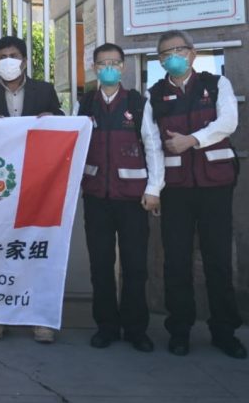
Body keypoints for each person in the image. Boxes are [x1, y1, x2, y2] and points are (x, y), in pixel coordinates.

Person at [149, 30, 246, 359]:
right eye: (164, 53)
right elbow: (152, 145)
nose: (171, 57)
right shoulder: (155, 95)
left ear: (192, 53)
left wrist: (192, 140)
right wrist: (155, 189)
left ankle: (224, 331)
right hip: (176, 191)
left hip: (215, 186)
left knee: (217, 259)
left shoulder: (216, 84)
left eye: (177, 50)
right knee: (176, 263)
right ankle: (179, 331)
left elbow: (229, 122)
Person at [0, 35, 63, 343]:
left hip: (36, 181)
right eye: (3, 55)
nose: (9, 60)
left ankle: (38, 318)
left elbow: (61, 121)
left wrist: (52, 118)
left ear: (24, 60)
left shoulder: (43, 90)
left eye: (14, 55)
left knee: (32, 245)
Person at [77, 42, 163, 353]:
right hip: (97, 197)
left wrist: (154, 189)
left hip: (133, 199)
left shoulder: (139, 103)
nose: (108, 68)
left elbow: (153, 147)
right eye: (102, 63)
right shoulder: (85, 104)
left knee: (135, 266)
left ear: (123, 67)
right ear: (95, 68)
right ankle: (107, 327)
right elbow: (75, 149)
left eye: (114, 62)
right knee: (101, 265)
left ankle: (136, 329)